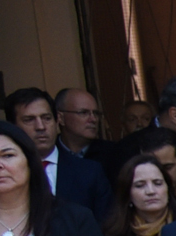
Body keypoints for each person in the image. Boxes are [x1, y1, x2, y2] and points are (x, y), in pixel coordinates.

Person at [7, 88, 111, 223]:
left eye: (47, 118)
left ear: (57, 121)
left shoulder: (90, 172)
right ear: (12, 127)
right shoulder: (3, 173)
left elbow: (107, 228)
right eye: (29, 119)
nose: (40, 127)